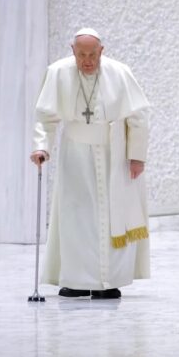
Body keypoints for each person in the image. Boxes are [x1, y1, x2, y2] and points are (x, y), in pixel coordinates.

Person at [29, 28, 151, 299]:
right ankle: (75, 280)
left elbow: (138, 116)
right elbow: (45, 116)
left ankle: (109, 282)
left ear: (102, 51)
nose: (87, 61)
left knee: (111, 217)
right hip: (75, 155)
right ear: (72, 51)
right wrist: (41, 147)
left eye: (92, 54)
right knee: (76, 217)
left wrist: (137, 156)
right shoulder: (58, 72)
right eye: (81, 54)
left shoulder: (119, 73)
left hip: (114, 155)